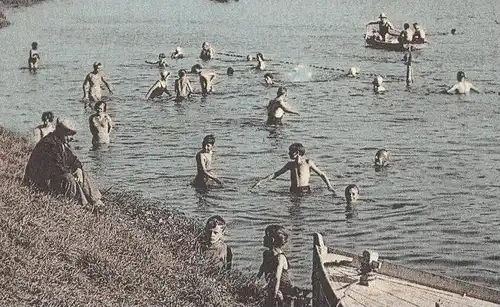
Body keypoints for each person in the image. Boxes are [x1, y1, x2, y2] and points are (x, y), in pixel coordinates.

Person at [24, 118, 103, 207]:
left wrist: (78, 169)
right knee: (69, 178)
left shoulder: (59, 142)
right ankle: (80, 203)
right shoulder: (49, 144)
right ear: (62, 132)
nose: (72, 138)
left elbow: (73, 159)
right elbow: (57, 167)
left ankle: (96, 201)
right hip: (38, 183)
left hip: (51, 177)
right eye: (70, 135)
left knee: (80, 173)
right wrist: (73, 174)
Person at [252, 143, 335, 195]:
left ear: (297, 153)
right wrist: (261, 182)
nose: (288, 153)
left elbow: (321, 174)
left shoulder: (308, 162)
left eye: (290, 152)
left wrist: (329, 186)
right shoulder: (290, 164)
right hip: (293, 190)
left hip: (305, 189)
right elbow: (276, 174)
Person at [257, 225, 295, 307]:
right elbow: (262, 268)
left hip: (283, 288)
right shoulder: (266, 254)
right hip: (272, 285)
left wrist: (275, 294)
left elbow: (277, 278)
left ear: (272, 240)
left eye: (266, 236)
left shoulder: (280, 257)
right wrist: (255, 281)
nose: (263, 238)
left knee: (277, 299)